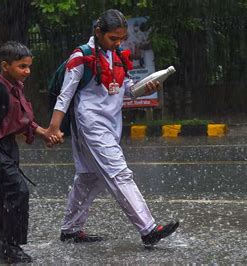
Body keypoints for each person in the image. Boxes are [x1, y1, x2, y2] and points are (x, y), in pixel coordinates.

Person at [45, 9, 179, 249]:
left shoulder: (116, 55)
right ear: (98, 32)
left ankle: (71, 229)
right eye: (113, 39)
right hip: (90, 123)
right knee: (119, 172)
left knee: (89, 177)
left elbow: (124, 87)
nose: (117, 43)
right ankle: (148, 228)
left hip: (111, 123)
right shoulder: (81, 56)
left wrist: (141, 89)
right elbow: (65, 95)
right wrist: (53, 128)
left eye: (121, 39)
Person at [0, 41, 50, 263]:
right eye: (22, 66)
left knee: (3, 196)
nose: (27, 71)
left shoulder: (17, 88)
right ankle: (12, 248)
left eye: (29, 66)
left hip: (9, 148)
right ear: (5, 66)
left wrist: (43, 133)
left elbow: (22, 121)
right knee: (18, 192)